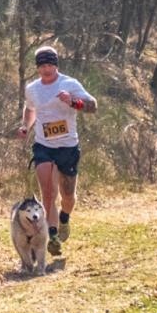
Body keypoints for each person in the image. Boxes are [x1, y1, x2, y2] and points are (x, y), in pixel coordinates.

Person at [14, 45, 96, 258]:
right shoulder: (32, 88)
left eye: (50, 65)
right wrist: (26, 126)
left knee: (68, 195)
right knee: (48, 193)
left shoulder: (69, 84)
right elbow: (31, 109)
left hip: (67, 146)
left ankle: (64, 219)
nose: (46, 69)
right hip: (44, 146)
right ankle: (53, 236)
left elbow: (93, 105)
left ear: (56, 65)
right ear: (37, 68)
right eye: (42, 66)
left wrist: (73, 102)